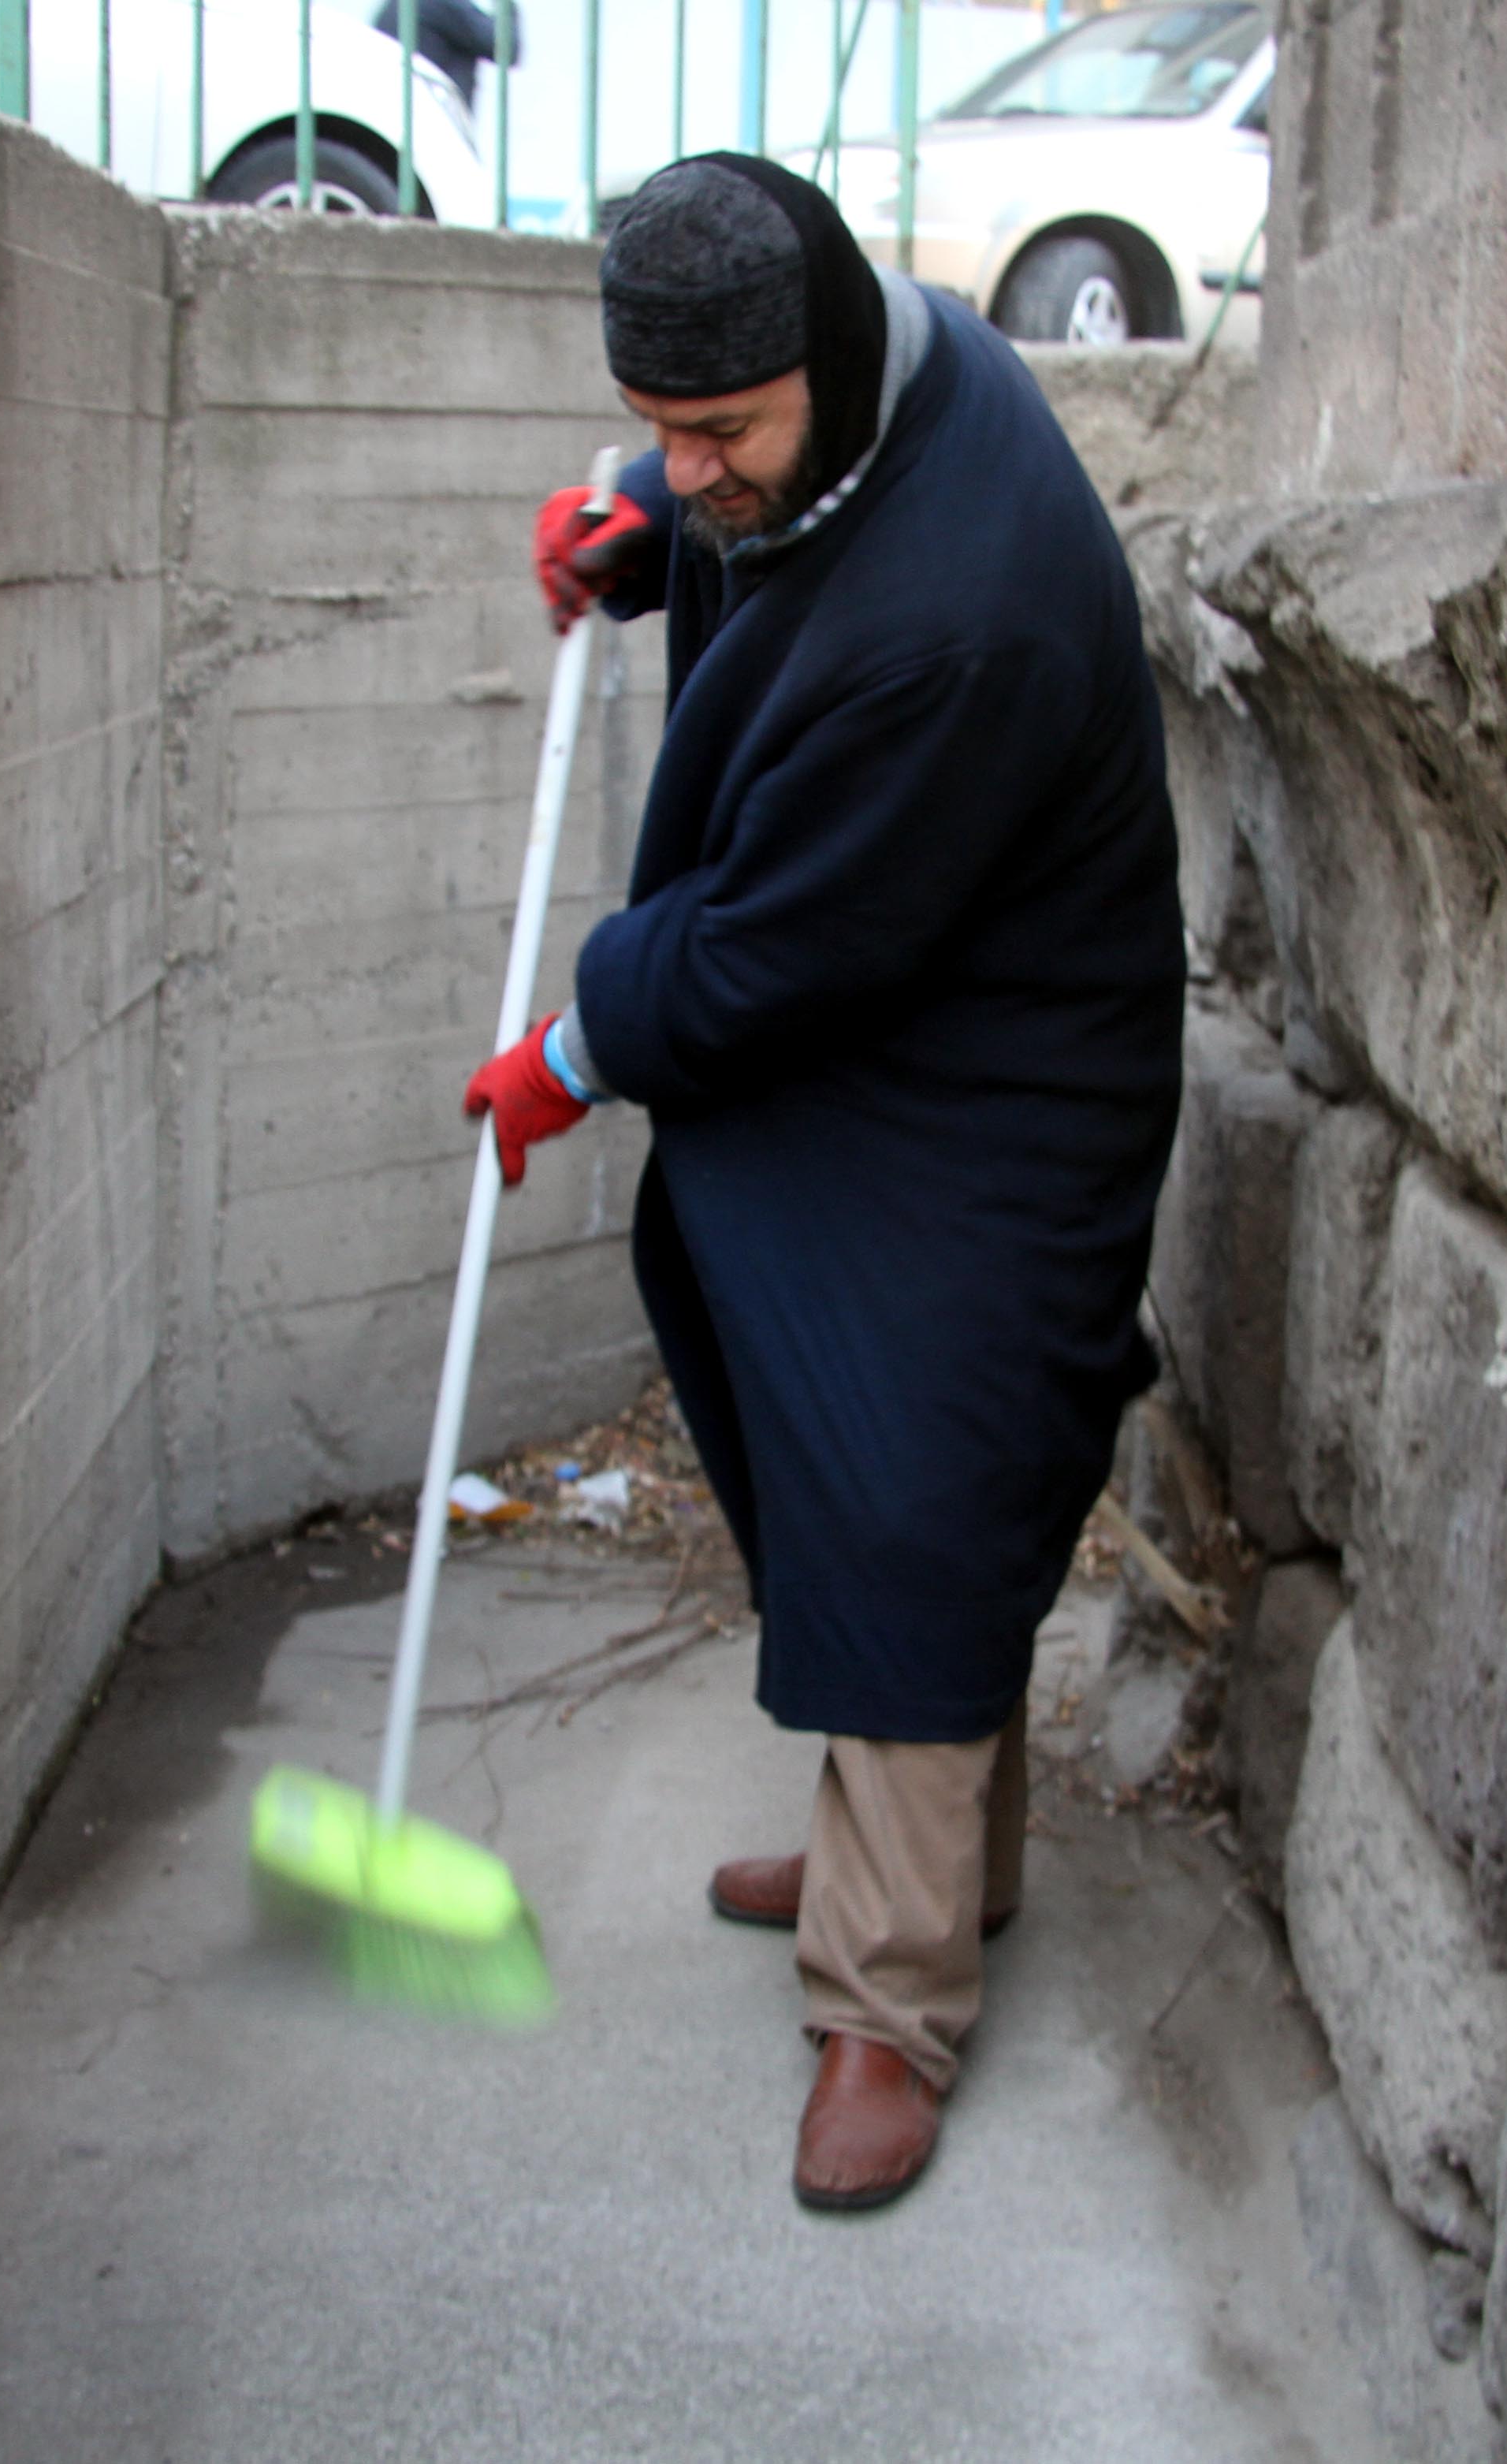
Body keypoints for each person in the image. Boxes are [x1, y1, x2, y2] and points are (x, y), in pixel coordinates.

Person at [466, 154, 1185, 2211]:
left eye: (719, 435)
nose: (692, 467)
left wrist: (568, 1052)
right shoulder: (869, 392)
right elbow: (748, 515)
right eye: (659, 424)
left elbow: (777, 947)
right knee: (836, 1420)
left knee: (911, 1457)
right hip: (898, 980)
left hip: (996, 1064)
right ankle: (929, 1838)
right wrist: (637, 521)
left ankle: (888, 1986)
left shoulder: (951, 611)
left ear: (827, 366)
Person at [373, 0, 518, 111]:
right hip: (438, 123)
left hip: (399, 121)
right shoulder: (444, 5)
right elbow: (507, 46)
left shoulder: (391, 9)